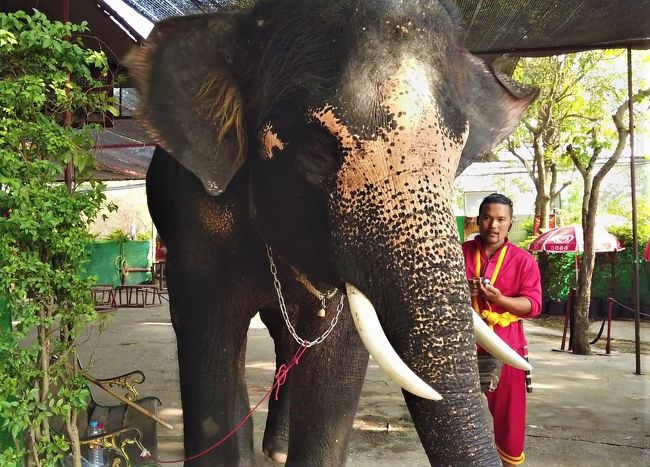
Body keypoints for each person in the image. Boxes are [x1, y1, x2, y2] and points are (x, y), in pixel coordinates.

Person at [462, 193, 541, 466]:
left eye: (500, 219)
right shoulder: (460, 253)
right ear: (477, 221)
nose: (493, 225)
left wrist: (498, 299)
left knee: (510, 420)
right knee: (458, 416)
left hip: (507, 349)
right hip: (462, 347)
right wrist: (463, 290)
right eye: (487, 218)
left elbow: (532, 305)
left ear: (510, 223)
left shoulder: (523, 260)